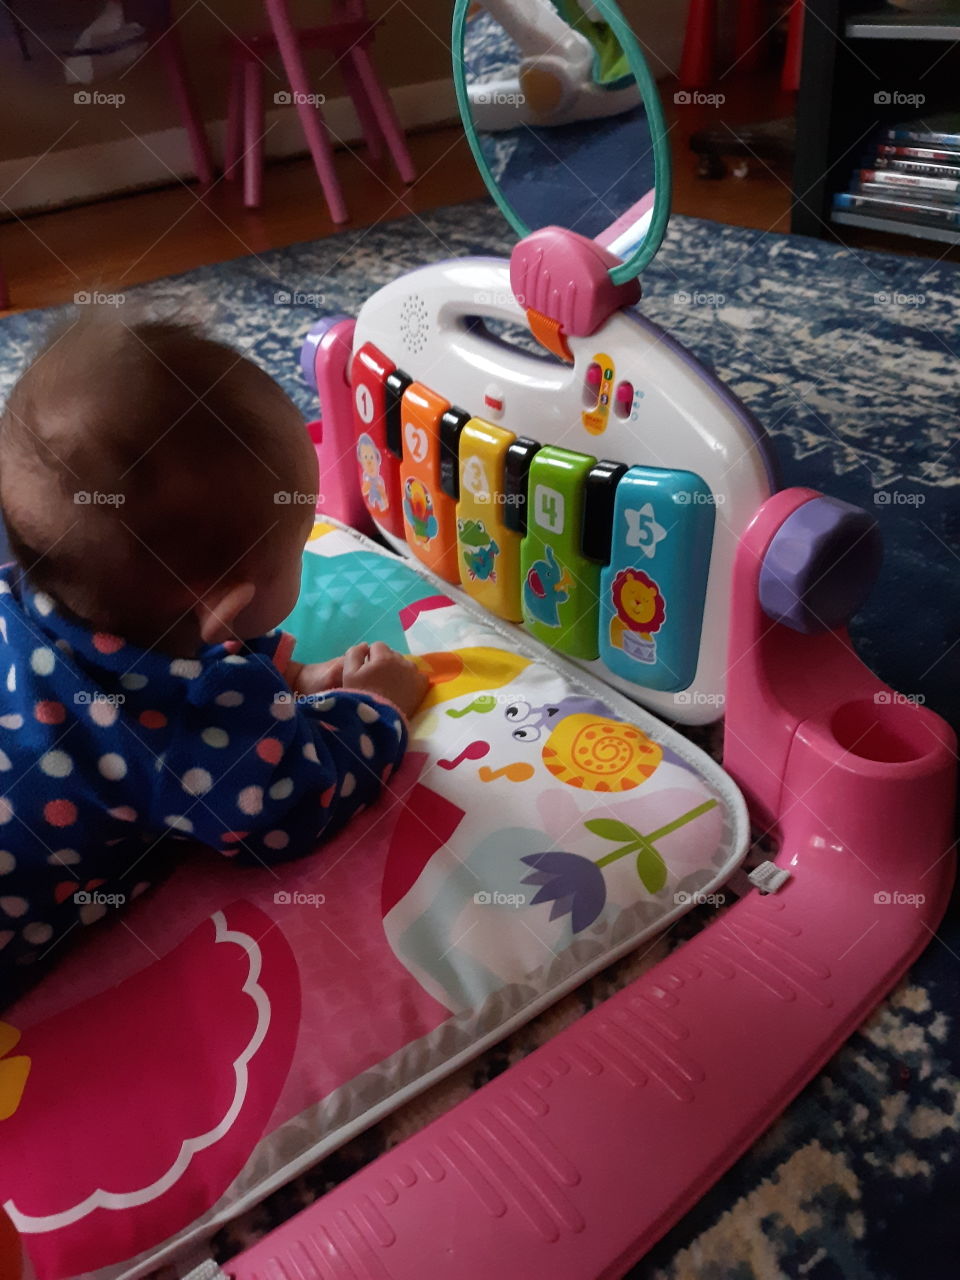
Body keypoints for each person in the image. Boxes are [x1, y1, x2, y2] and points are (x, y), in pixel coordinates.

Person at [0, 311, 428, 1005]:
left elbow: (183, 640)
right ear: (225, 610)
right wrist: (375, 708)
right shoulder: (174, 732)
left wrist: (285, 679)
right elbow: (294, 802)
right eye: (299, 539)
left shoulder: (47, 574)